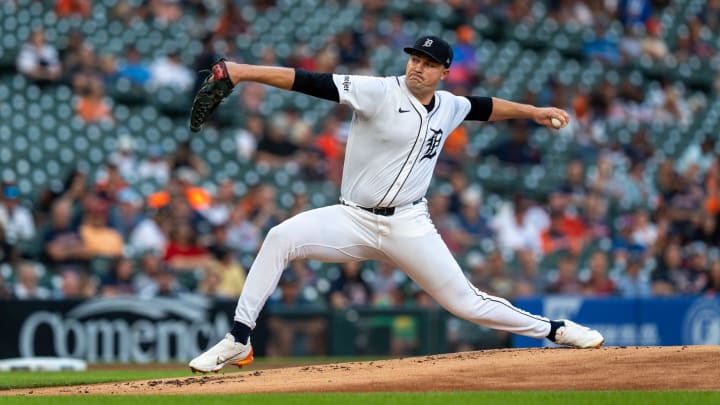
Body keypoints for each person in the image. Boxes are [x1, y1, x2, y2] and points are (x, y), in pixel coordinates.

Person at [188, 35, 604, 373]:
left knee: (466, 303)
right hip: (352, 218)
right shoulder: (379, 91)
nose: (416, 67)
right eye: (414, 58)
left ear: (444, 72)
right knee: (279, 237)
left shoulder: (450, 105)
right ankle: (238, 341)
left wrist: (532, 112)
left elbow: (486, 107)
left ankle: (556, 329)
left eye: (427, 62)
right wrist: (242, 72)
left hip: (409, 224)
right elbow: (308, 80)